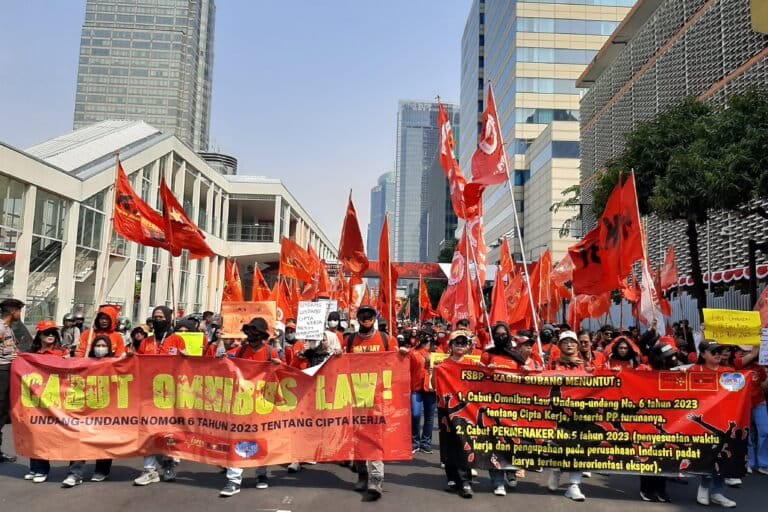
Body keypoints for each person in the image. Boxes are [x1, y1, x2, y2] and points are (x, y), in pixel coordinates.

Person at [219, 317, 280, 497]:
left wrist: (278, 366)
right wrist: (222, 357)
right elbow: (228, 364)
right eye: (250, 333)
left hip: (263, 404)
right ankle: (234, 479)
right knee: (237, 438)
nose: (251, 338)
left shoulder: (271, 352)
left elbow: (284, 374)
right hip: (242, 404)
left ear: (262, 336)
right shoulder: (241, 350)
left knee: (261, 438)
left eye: (255, 334)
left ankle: (261, 474)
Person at [133, 305, 187, 486]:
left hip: (170, 395)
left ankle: (169, 464)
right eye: (155, 317)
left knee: (167, 433)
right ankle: (150, 470)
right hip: (148, 394)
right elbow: (136, 364)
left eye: (161, 317)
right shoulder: (146, 342)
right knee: (148, 432)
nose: (158, 320)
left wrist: (186, 358)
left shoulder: (177, 340)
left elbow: (186, 366)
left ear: (168, 319)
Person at [346, 305, 394, 502]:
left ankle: (376, 480)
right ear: (357, 319)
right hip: (355, 397)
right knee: (358, 437)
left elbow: (395, 364)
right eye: (363, 316)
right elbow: (343, 365)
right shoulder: (349, 340)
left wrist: (404, 355)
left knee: (374, 437)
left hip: (378, 398)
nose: (367, 319)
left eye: (370, 316)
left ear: (375, 318)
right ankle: (362, 474)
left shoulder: (386, 339)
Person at [62, 335, 116, 487]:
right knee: (79, 439)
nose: (100, 349)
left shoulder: (116, 363)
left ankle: (102, 470)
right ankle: (75, 474)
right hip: (86, 409)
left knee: (104, 440)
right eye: (97, 345)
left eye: (103, 346)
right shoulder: (85, 363)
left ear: (109, 348)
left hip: (107, 410)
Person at [689, 340, 737, 508]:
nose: (717, 354)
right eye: (713, 351)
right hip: (703, 422)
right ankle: (703, 487)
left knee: (722, 456)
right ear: (703, 355)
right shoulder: (694, 371)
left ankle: (718, 492)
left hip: (724, 421)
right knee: (708, 455)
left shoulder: (729, 372)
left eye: (719, 351)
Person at [24, 320, 68, 482]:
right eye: (46, 333)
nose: (50, 336)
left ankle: (43, 470)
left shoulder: (62, 353)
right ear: (39, 336)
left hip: (55, 399)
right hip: (34, 399)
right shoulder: (30, 354)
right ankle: (35, 467)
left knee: (45, 434)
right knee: (33, 433)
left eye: (53, 333)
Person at [546, 330, 587, 501]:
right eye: (565, 342)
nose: (569, 345)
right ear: (560, 345)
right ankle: (556, 472)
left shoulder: (586, 364)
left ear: (577, 345)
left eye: (572, 342)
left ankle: (573, 485)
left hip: (580, 412)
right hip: (558, 411)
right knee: (558, 444)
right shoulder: (553, 364)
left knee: (579, 447)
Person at [437, 330, 478, 499]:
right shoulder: (441, 366)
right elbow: (434, 385)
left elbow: (481, 385)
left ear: (468, 346)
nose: (460, 346)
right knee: (448, 444)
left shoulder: (473, 365)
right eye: (456, 343)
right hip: (445, 409)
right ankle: (451, 477)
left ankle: (465, 480)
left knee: (464, 443)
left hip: (465, 410)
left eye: (463, 343)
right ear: (450, 346)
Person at [636, 341, 679, 502]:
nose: (672, 359)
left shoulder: (673, 373)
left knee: (664, 456)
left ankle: (661, 489)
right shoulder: (644, 370)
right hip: (647, 420)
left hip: (668, 421)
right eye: (668, 357)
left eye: (673, 356)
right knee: (649, 455)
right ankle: (646, 488)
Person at [734, 346, 768, 476]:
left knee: (765, 431)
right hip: (743, 404)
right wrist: (753, 354)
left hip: (759, 402)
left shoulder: (759, 366)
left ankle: (763, 463)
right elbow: (739, 363)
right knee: (746, 434)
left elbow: (764, 386)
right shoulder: (737, 362)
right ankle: (749, 462)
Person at [0, 298, 23, 463]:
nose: (20, 314)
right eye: (19, 311)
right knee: (0, 410)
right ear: (13, 312)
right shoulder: (0, 327)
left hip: (7, 370)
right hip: (1, 371)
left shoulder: (8, 328)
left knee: (2, 412)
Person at [410, 330, 436, 455]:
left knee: (429, 417)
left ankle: (426, 443)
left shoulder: (437, 354)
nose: (426, 340)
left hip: (431, 388)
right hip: (416, 388)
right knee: (415, 415)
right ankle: (414, 442)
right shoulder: (412, 353)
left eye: (428, 337)